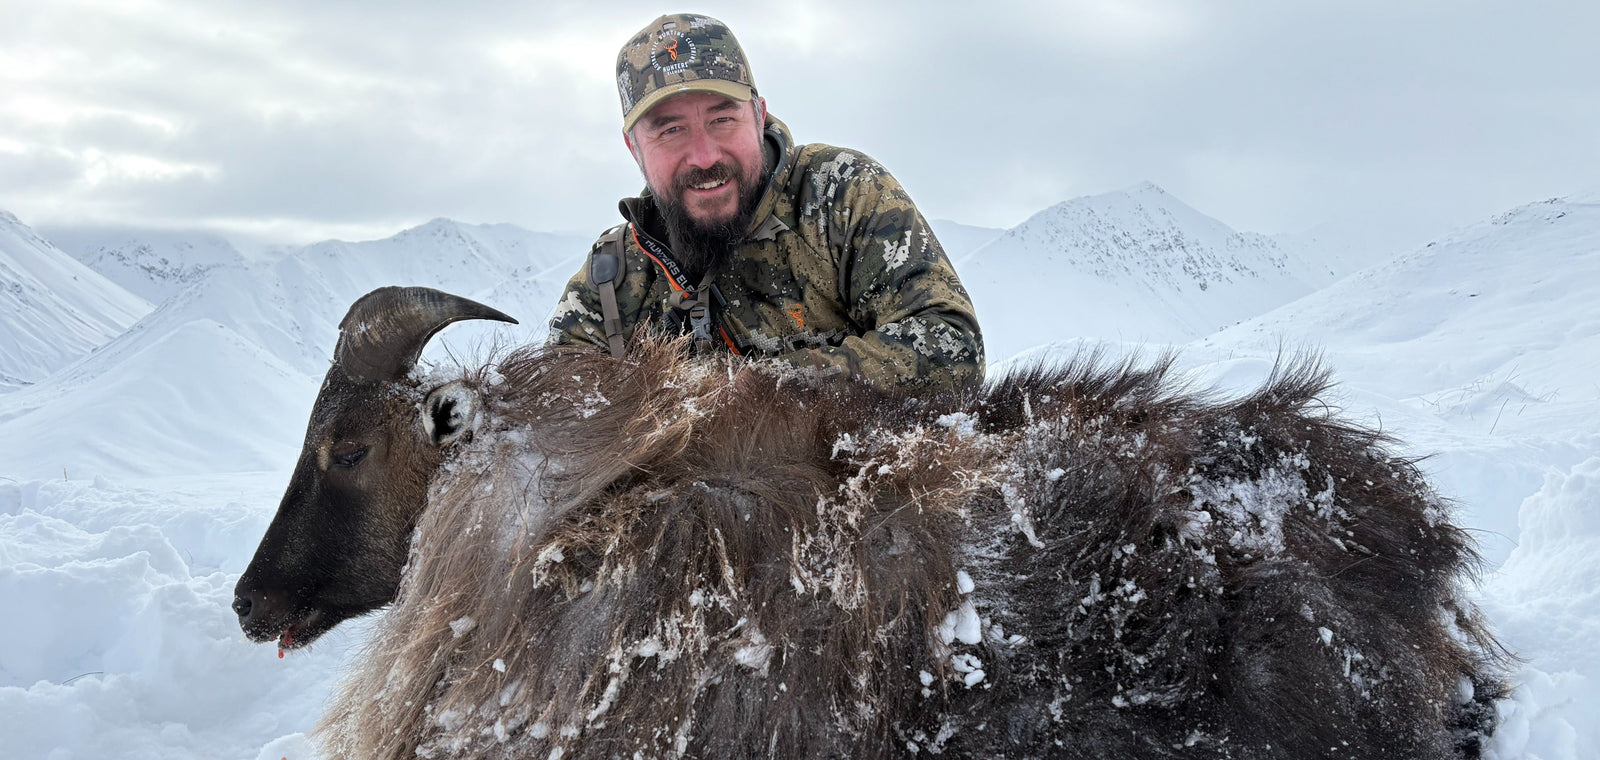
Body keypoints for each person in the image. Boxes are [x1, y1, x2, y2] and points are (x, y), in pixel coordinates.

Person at [548, 13, 983, 390]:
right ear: (634, 148)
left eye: (723, 118)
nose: (705, 157)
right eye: (670, 130)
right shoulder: (611, 279)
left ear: (758, 116)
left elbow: (951, 345)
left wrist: (749, 394)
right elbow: (557, 416)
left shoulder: (841, 196)